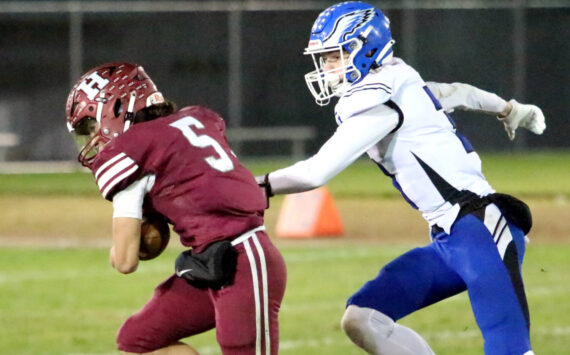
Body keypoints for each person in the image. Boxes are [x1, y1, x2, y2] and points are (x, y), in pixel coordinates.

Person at [256, 2, 545, 355]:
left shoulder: (378, 102)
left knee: (509, 349)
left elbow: (317, 171)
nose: (327, 68)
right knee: (363, 317)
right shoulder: (397, 80)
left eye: (334, 56)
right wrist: (510, 108)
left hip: (480, 227)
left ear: (364, 48)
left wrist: (257, 186)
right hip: (450, 237)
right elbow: (457, 92)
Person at [65, 62, 287, 355]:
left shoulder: (131, 150)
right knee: (138, 340)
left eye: (92, 125)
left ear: (115, 110)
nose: (93, 138)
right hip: (210, 263)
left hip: (246, 259)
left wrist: (124, 244)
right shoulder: (191, 122)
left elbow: (125, 261)